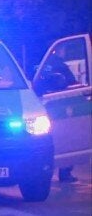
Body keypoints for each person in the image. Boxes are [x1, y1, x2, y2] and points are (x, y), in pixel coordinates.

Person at [45, 45, 78, 183]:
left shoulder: (45, 64)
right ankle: (65, 173)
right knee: (67, 138)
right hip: (63, 105)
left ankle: (46, 169)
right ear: (61, 50)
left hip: (47, 104)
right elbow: (72, 83)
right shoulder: (60, 66)